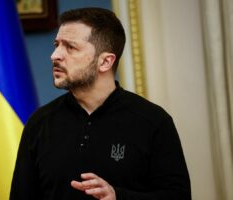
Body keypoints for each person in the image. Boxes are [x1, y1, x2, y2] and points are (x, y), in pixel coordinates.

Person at [10, 7, 191, 200]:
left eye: (70, 47)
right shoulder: (39, 123)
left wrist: (118, 197)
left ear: (105, 62)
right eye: (57, 45)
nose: (55, 55)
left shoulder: (154, 121)